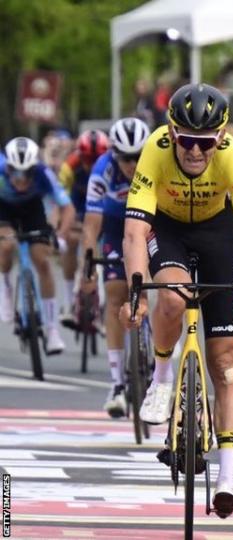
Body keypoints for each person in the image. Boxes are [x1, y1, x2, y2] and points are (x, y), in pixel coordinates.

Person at [120, 83, 233, 519]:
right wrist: (134, 292)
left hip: (218, 233)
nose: (196, 152)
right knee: (170, 294)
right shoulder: (155, 149)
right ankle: (163, 376)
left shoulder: (232, 155)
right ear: (172, 132)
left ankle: (227, 479)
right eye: (187, 141)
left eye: (206, 143)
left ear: (220, 138)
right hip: (167, 229)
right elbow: (132, 232)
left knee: (225, 365)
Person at [80, 118, 151, 417]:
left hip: (151, 227)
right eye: (126, 158)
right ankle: (117, 383)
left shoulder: (157, 165)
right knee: (114, 294)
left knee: (158, 285)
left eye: (138, 157)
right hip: (114, 229)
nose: (133, 165)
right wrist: (88, 266)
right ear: (114, 155)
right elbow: (90, 226)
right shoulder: (102, 170)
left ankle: (159, 363)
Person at [0, 137, 75, 353]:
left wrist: (60, 237)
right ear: (8, 167)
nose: (20, 179)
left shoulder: (44, 173)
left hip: (32, 210)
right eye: (15, 172)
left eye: (27, 173)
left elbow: (67, 208)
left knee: (43, 262)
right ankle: (5, 286)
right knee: (6, 246)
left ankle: (52, 330)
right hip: (4, 209)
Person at [59, 130, 110, 325]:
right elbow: (61, 201)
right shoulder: (69, 167)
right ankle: (69, 298)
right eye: (87, 159)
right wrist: (62, 224)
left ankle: (105, 302)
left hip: (105, 209)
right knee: (71, 241)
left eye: (96, 159)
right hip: (78, 208)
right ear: (80, 155)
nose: (91, 164)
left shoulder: (111, 166)